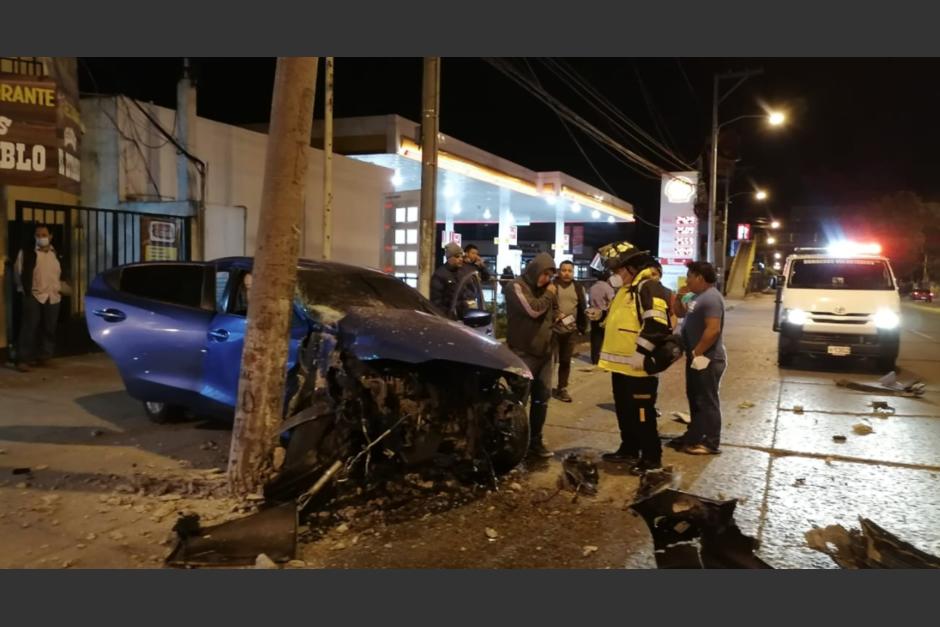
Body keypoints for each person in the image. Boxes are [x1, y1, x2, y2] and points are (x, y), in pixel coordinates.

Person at [593, 241, 673, 474]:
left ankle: (651, 458)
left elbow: (657, 324)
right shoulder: (626, 290)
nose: (613, 275)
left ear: (630, 268)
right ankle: (629, 448)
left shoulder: (647, 287)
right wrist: (600, 317)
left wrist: (641, 353)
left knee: (642, 414)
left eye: (616, 270)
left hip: (637, 367)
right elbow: (620, 322)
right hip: (622, 367)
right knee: (624, 410)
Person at [669, 261, 727, 455]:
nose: (687, 280)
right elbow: (679, 312)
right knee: (695, 398)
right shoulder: (695, 295)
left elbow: (713, 330)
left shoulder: (712, 298)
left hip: (707, 358)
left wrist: (698, 351)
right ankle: (694, 436)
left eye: (690, 276)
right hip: (696, 357)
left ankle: (710, 442)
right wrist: (679, 295)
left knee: (707, 400)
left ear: (700, 278)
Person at [504, 252, 557, 458]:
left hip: (545, 354)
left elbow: (551, 312)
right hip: (522, 353)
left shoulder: (546, 290)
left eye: (550, 275)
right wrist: (550, 294)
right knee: (518, 401)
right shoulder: (516, 287)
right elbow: (533, 310)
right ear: (535, 270)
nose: (547, 280)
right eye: (544, 274)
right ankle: (513, 445)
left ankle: (535, 441)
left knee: (541, 400)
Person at [13, 224, 63, 373]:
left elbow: (60, 272)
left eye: (44, 234)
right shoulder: (27, 253)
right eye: (38, 235)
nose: (41, 238)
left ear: (50, 236)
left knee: (49, 327)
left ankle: (45, 356)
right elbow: (18, 271)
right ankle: (23, 359)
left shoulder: (56, 253)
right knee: (30, 327)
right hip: (33, 294)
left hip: (52, 295)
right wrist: (24, 289)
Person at [551, 260, 587, 403]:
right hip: (553, 330)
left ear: (573, 272)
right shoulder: (552, 286)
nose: (566, 273)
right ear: (559, 271)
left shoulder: (578, 287)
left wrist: (582, 326)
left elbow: (582, 306)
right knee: (550, 361)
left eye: (569, 271)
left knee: (565, 361)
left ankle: (562, 388)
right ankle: (543, 387)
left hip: (571, 331)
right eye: (563, 270)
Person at [587, 270, 615, 365]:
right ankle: (604, 359)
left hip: (593, 313)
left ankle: (594, 359)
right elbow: (612, 301)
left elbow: (589, 301)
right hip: (604, 314)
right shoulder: (608, 288)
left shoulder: (592, 287)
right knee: (606, 337)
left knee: (595, 337)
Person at [430, 242, 465, 319]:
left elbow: (462, 296)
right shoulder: (439, 275)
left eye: (462, 256)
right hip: (448, 318)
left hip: (461, 318)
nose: (461, 259)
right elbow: (436, 303)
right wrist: (449, 317)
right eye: (457, 256)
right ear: (449, 258)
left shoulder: (460, 272)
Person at [454, 244, 491, 314]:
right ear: (466, 253)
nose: (475, 256)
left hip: (473, 298)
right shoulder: (460, 265)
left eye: (476, 254)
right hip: (462, 299)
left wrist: (482, 266)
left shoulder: (476, 266)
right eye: (473, 253)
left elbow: (486, 277)